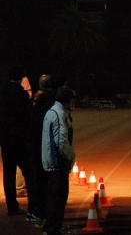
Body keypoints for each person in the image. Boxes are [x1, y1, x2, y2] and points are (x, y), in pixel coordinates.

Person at [42, 86, 75, 235]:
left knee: (53, 199)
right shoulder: (59, 114)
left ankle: (51, 228)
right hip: (57, 164)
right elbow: (61, 142)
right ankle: (52, 230)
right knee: (57, 201)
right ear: (68, 100)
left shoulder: (51, 111)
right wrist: (71, 156)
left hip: (51, 163)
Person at [0, 65, 31, 216]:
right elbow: (27, 117)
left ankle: (12, 206)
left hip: (5, 138)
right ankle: (34, 205)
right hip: (19, 138)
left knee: (8, 174)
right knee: (29, 172)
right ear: (21, 78)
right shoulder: (22, 94)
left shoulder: (2, 92)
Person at [25, 74, 56, 227]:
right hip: (45, 144)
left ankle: (35, 212)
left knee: (36, 178)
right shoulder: (52, 100)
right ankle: (45, 216)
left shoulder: (36, 99)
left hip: (33, 143)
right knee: (48, 181)